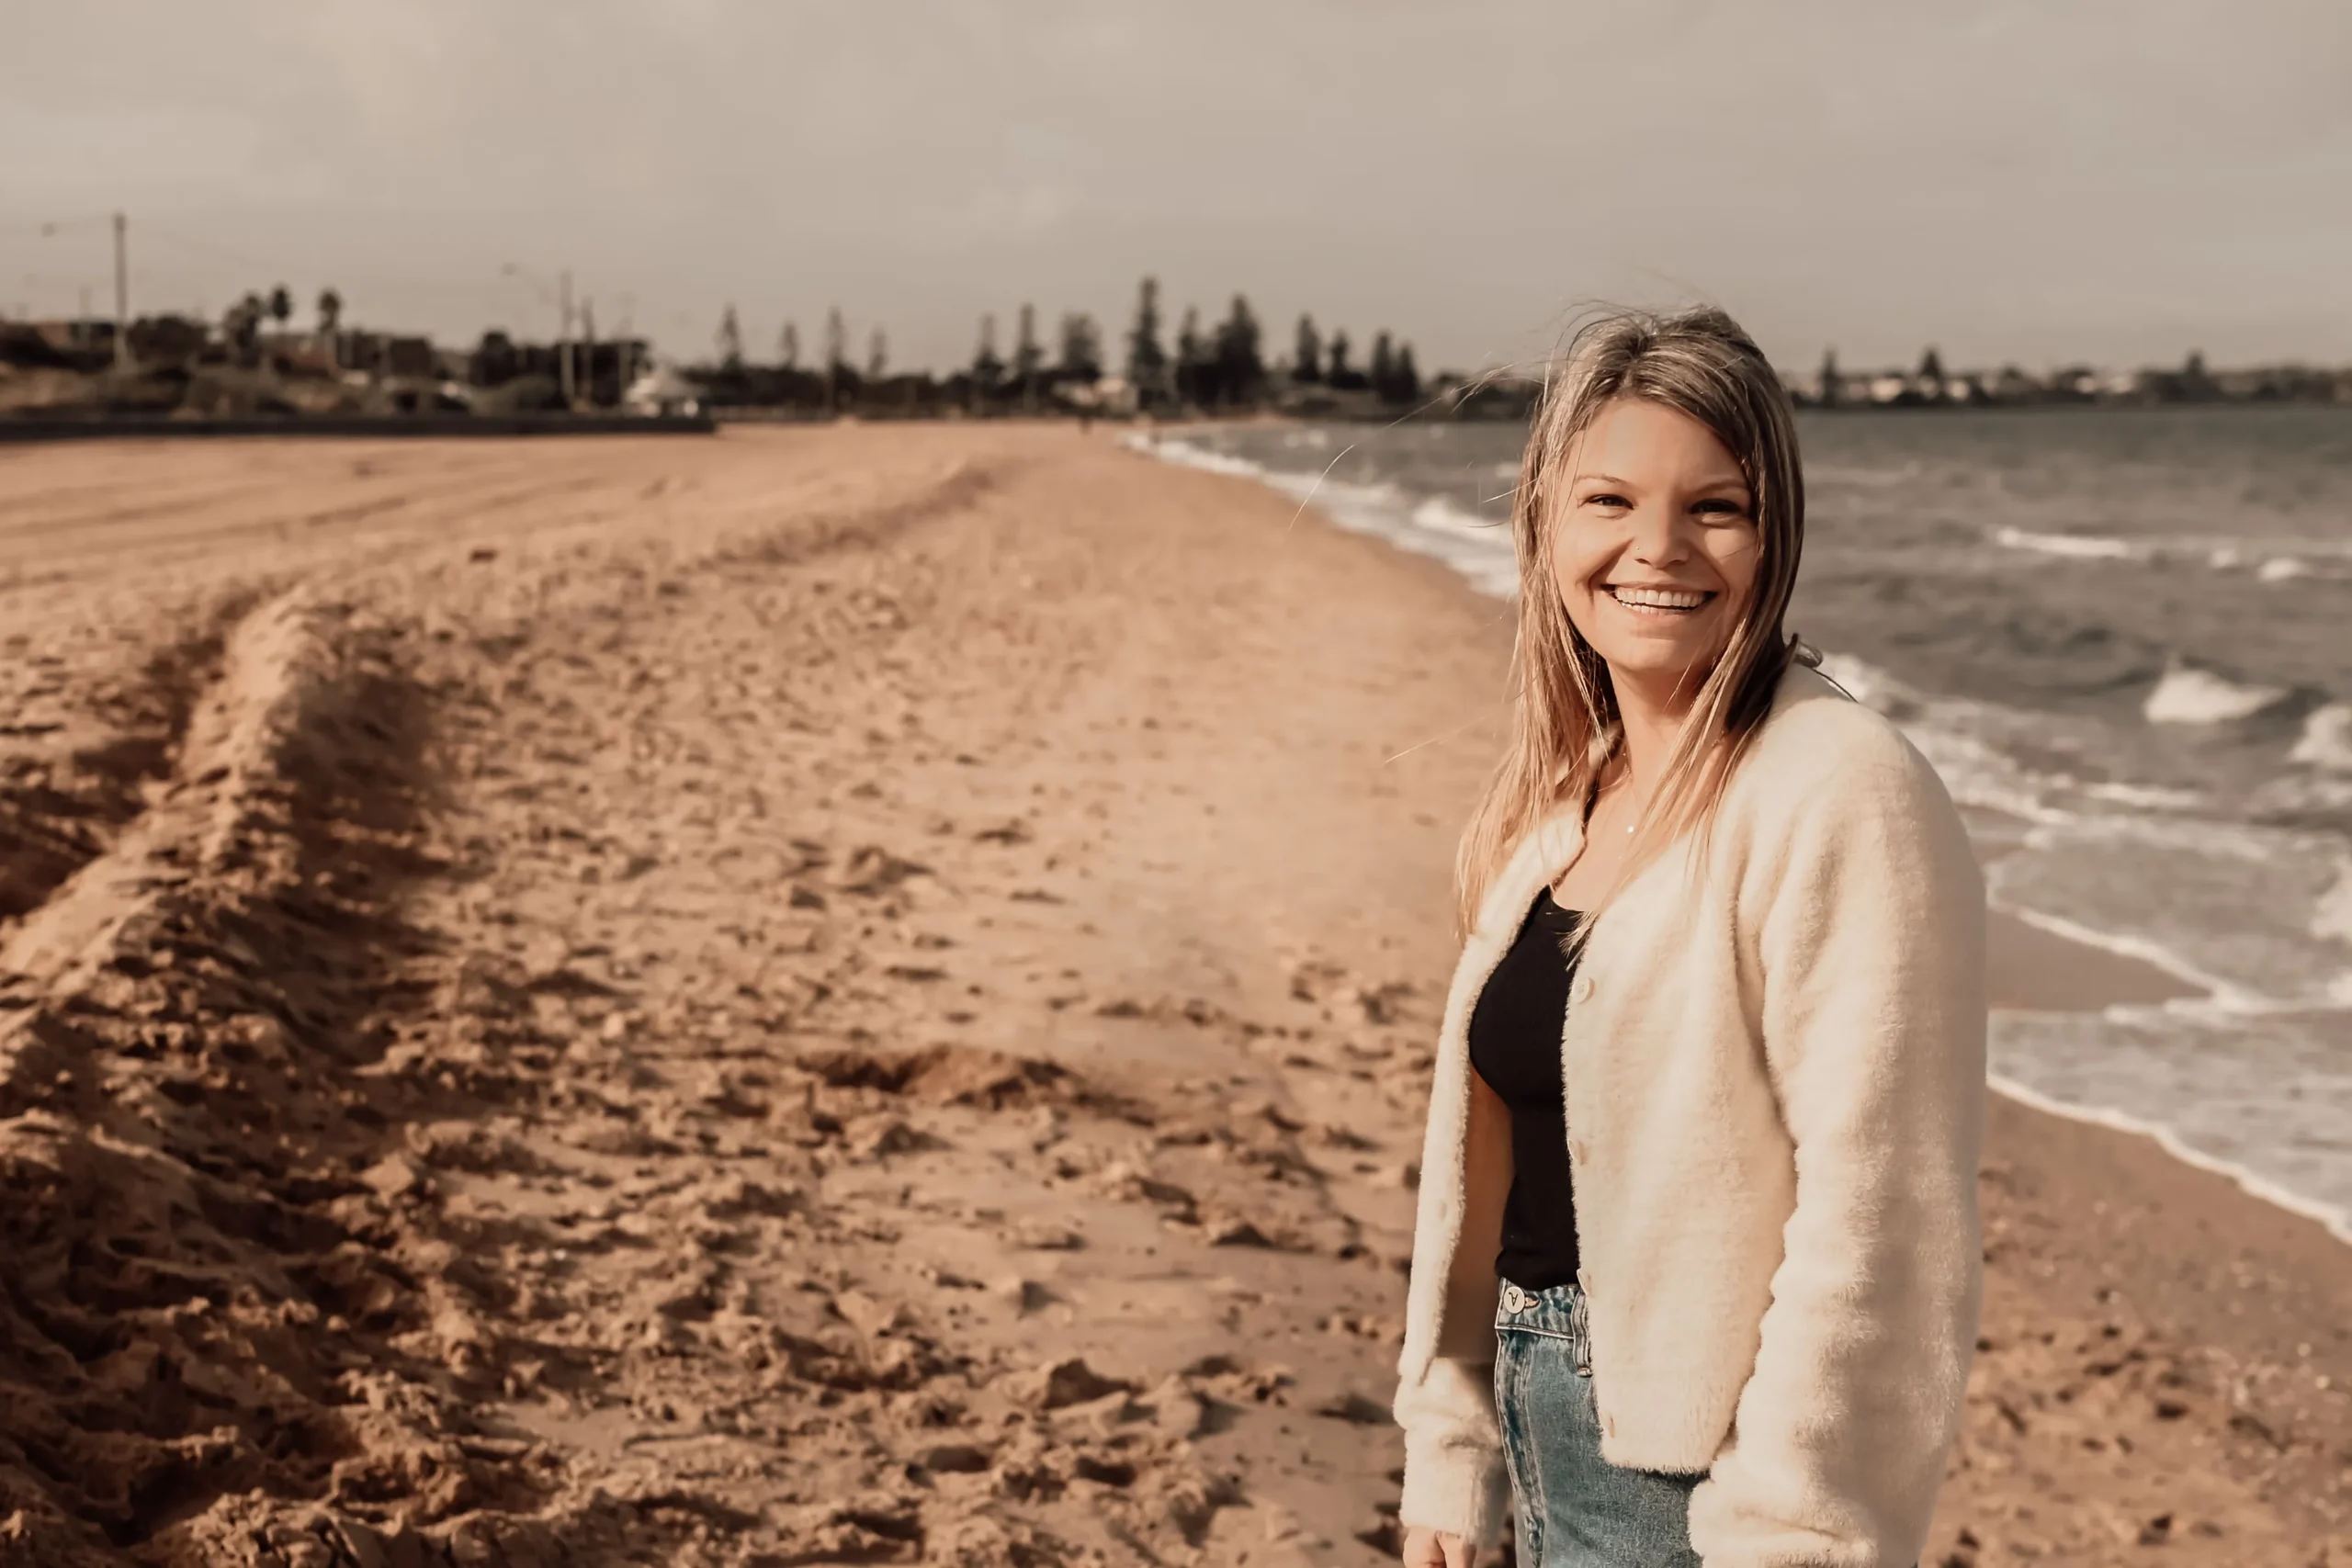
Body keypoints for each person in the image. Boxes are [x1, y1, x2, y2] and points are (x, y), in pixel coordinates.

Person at [1392, 306, 1985, 1568]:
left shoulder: (1842, 788)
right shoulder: (1571, 794)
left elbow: (1884, 1217)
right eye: (1609, 500)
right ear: (1545, 523)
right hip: (1546, 1426)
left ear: (1775, 537)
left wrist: (1793, 1530)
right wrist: (1452, 1439)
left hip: (1707, 1491)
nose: (1657, 548)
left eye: (1715, 508)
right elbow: (1494, 1171)